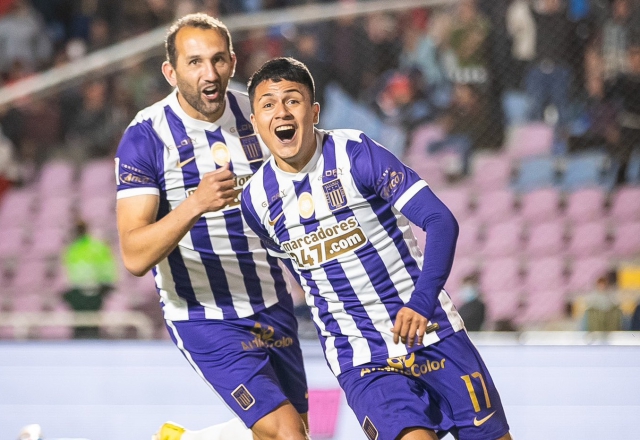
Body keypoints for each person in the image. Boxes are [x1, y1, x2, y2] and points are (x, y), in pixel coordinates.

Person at [241, 57, 513, 440]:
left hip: (432, 331)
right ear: (255, 122)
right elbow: (301, 273)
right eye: (268, 104)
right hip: (360, 354)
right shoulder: (255, 200)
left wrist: (421, 302)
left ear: (314, 112)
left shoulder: (355, 153)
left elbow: (440, 221)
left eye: (292, 100)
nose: (281, 112)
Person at [114, 14, 308, 440]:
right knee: (287, 434)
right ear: (171, 72)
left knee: (292, 433)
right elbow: (134, 254)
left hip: (272, 302)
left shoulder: (259, 115)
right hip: (205, 315)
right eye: (195, 62)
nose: (210, 73)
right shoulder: (146, 137)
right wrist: (195, 204)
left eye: (218, 60)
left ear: (233, 63)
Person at [62, 219, 117, 339]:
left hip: (95, 289)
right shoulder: (74, 248)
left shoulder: (91, 246)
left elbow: (106, 266)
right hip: (80, 289)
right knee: (81, 322)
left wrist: (106, 283)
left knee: (91, 323)